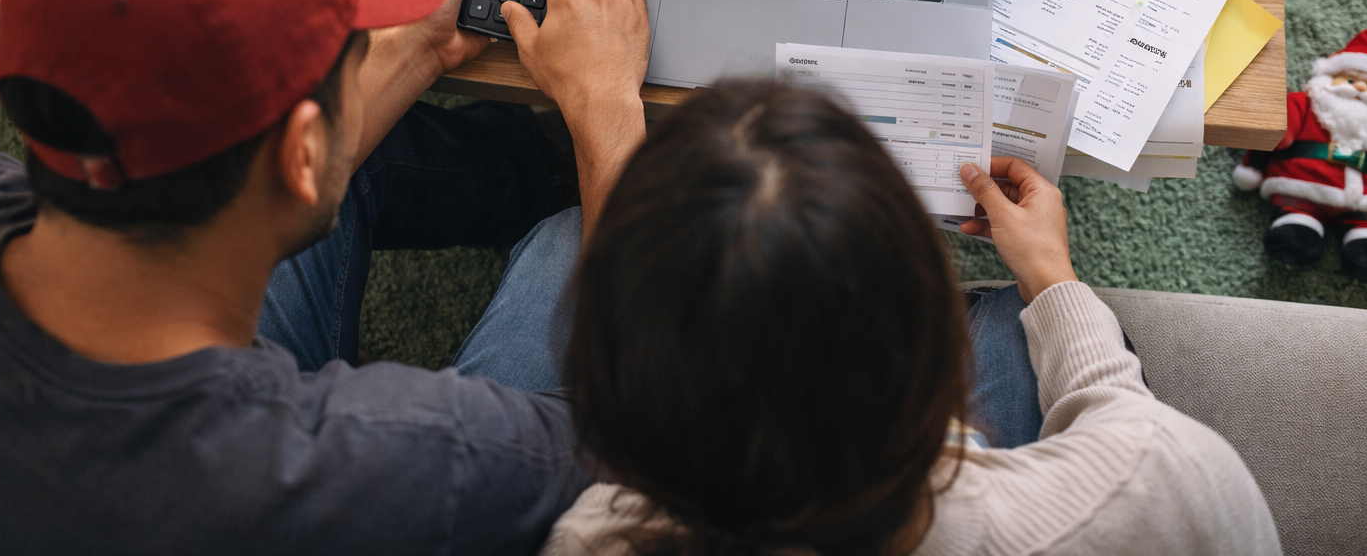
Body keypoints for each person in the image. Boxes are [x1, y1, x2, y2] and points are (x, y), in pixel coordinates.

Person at [0, 0, 651, 553]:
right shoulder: (411, 459)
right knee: (565, 241)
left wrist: (424, 50)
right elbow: (663, 442)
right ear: (301, 154)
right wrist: (606, 118)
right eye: (350, 46)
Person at [543, 82, 1281, 556]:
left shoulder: (594, 537)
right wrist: (1050, 276)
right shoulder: (1156, 482)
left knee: (552, 239)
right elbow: (1126, 421)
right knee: (1007, 317)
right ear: (936, 339)